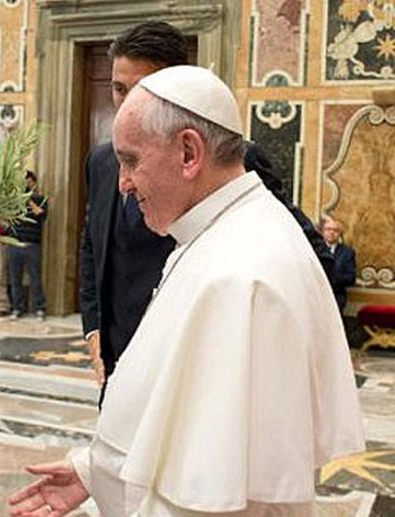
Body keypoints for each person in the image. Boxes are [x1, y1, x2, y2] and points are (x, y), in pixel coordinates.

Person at [10, 65, 363, 517]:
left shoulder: (242, 276)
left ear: (189, 152)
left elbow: (212, 498)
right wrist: (94, 472)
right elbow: (177, 411)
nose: (122, 184)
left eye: (131, 161)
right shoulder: (219, 232)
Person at [79, 21, 332, 402]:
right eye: (119, 89)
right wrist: (94, 329)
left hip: (194, 380)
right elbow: (92, 245)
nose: (127, 104)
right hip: (119, 376)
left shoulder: (231, 161)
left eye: (141, 90)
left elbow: (313, 261)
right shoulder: (100, 162)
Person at [6, 170, 48, 319]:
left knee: (35, 278)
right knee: (15, 279)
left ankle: (39, 308)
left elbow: (41, 214)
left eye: (28, 183)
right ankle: (17, 308)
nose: (26, 186)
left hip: (32, 245)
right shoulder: (14, 201)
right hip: (15, 244)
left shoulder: (40, 199)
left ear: (34, 183)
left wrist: (28, 199)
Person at [320, 216, 356, 311]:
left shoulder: (347, 253)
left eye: (335, 230)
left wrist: (332, 279)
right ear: (323, 232)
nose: (331, 232)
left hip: (336, 297)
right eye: (328, 229)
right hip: (316, 295)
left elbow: (351, 278)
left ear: (340, 233)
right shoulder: (314, 250)